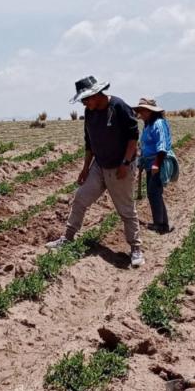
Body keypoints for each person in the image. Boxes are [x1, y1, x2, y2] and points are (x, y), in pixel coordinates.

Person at [46, 76, 144, 268]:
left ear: (97, 94)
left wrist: (125, 163)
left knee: (126, 210)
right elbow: (89, 143)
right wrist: (84, 169)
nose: (84, 103)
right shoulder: (89, 113)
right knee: (81, 198)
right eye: (82, 100)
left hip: (120, 167)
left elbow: (133, 138)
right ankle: (68, 237)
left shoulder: (119, 107)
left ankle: (135, 248)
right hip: (99, 166)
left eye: (86, 99)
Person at [133, 98, 178, 234]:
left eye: (143, 110)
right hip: (149, 163)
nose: (140, 113)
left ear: (150, 111)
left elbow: (162, 146)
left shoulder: (158, 123)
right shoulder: (148, 125)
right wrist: (141, 162)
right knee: (154, 193)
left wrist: (156, 165)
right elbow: (145, 146)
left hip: (159, 162)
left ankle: (161, 224)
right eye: (139, 110)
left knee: (154, 192)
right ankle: (162, 223)